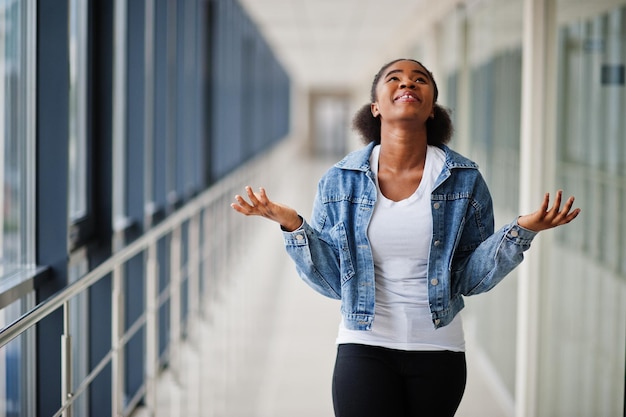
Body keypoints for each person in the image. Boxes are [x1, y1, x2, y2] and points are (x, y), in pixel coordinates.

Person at [230, 58, 580, 417]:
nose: (408, 84)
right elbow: (336, 283)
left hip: (439, 349)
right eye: (394, 79)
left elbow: (469, 279)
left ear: (432, 109)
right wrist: (294, 227)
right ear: (376, 107)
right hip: (364, 343)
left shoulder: (464, 179)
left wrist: (522, 231)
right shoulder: (340, 180)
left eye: (420, 80)